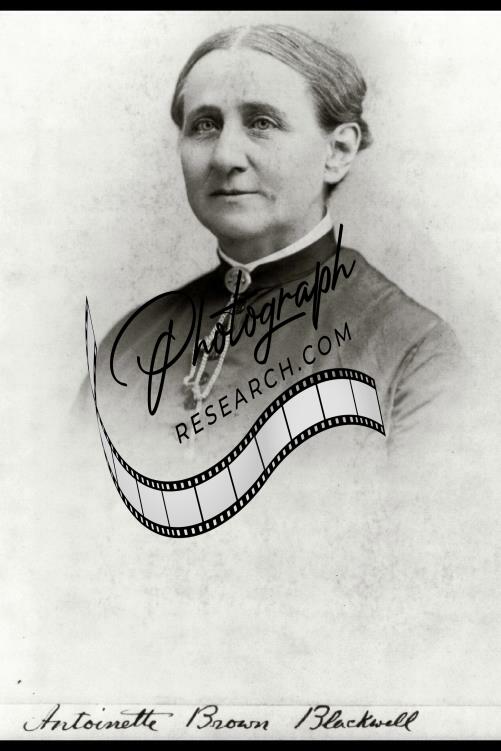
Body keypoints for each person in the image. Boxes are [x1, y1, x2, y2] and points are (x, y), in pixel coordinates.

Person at [85, 23, 464, 486]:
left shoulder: (412, 350)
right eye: (204, 125)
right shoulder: (129, 346)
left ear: (338, 151)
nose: (224, 156)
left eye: (261, 123)